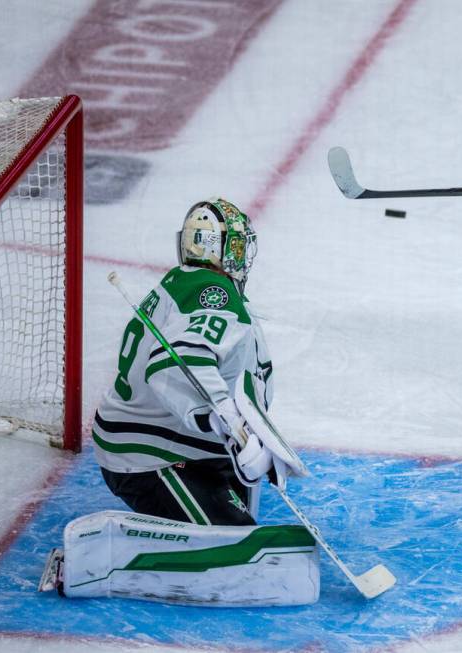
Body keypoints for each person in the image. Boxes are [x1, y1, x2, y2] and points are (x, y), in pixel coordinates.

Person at [40, 198, 319, 606]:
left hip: (175, 441)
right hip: (149, 457)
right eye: (238, 246)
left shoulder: (189, 283)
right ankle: (97, 563)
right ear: (223, 249)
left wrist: (253, 433)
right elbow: (175, 362)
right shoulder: (213, 291)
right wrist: (224, 420)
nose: (244, 257)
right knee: (238, 554)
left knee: (242, 509)